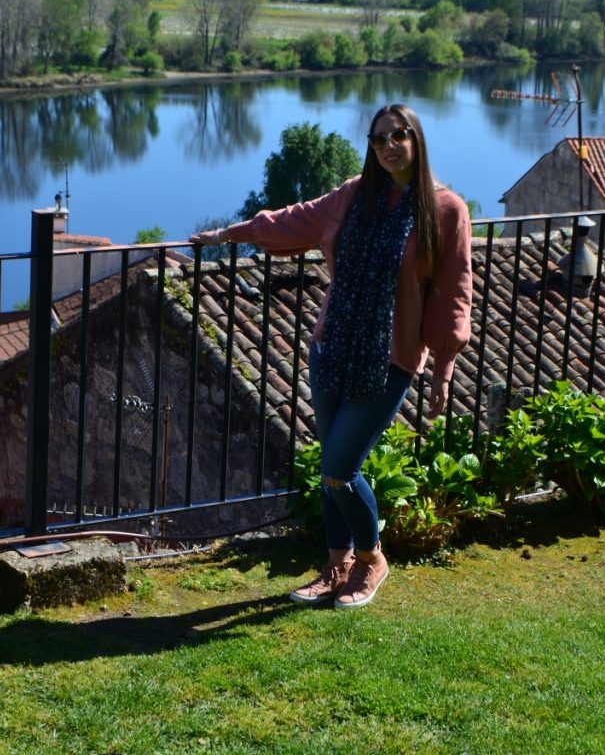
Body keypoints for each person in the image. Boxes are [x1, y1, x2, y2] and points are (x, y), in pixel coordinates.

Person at [190, 103, 472, 610]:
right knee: (330, 464)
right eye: (379, 137)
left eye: (399, 135)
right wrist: (229, 235)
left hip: (390, 359)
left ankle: (372, 559)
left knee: (340, 468)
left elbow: (453, 292)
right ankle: (336, 564)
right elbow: (292, 222)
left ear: (417, 140)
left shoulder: (445, 209)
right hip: (332, 347)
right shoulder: (353, 195)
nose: (389, 145)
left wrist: (443, 370)